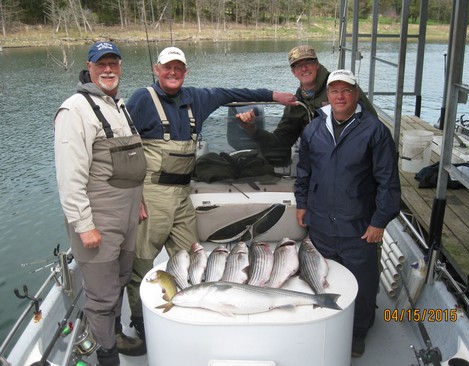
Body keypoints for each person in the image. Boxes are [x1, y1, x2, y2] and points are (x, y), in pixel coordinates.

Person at [125, 46, 297, 341]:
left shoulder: (198, 98)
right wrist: (134, 196)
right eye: (167, 67)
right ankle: (142, 321)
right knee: (141, 261)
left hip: (181, 196)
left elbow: (232, 93)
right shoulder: (142, 99)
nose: (173, 72)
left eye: (179, 67)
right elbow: (126, 148)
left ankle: (182, 311)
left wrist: (273, 96)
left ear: (186, 72)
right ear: (157, 69)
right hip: (152, 193)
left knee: (189, 258)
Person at [293, 69, 401, 358]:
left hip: (359, 228)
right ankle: (326, 322)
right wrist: (302, 204)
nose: (340, 96)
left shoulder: (375, 131)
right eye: (334, 91)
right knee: (321, 278)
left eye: (346, 90)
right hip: (321, 226)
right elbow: (303, 172)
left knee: (363, 285)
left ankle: (358, 332)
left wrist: (379, 221)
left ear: (356, 94)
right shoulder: (314, 129)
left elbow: (388, 182)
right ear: (327, 95)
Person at [54, 41, 147, 365]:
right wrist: (84, 225)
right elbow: (69, 179)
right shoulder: (75, 110)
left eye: (114, 63)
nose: (108, 69)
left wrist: (140, 201)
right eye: (101, 64)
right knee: (102, 297)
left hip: (127, 217)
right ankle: (107, 357)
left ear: (120, 66)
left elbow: (129, 165)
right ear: (89, 67)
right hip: (99, 223)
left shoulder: (117, 105)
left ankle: (116, 333)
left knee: (119, 283)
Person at [236, 45, 377, 158]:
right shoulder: (296, 104)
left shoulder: (341, 85)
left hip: (354, 158)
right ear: (293, 72)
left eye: (308, 62)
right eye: (298, 65)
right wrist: (253, 130)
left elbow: (372, 122)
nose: (304, 68)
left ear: (317, 64)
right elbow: (281, 142)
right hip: (319, 162)